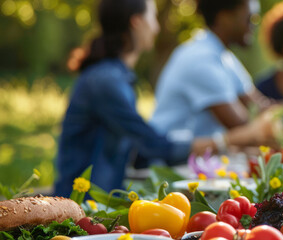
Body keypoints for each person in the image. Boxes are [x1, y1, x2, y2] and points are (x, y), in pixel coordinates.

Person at [54, 0, 215, 196]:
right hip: (83, 206)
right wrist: (220, 142)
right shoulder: (106, 81)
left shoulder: (114, 77)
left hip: (100, 200)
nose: (156, 27)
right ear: (137, 22)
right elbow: (151, 143)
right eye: (153, 17)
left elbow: (140, 150)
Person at [151, 0, 274, 153]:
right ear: (224, 17)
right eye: (250, 18)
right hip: (168, 161)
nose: (254, 25)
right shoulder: (201, 58)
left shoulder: (225, 57)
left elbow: (257, 105)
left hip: (198, 158)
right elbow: (245, 126)